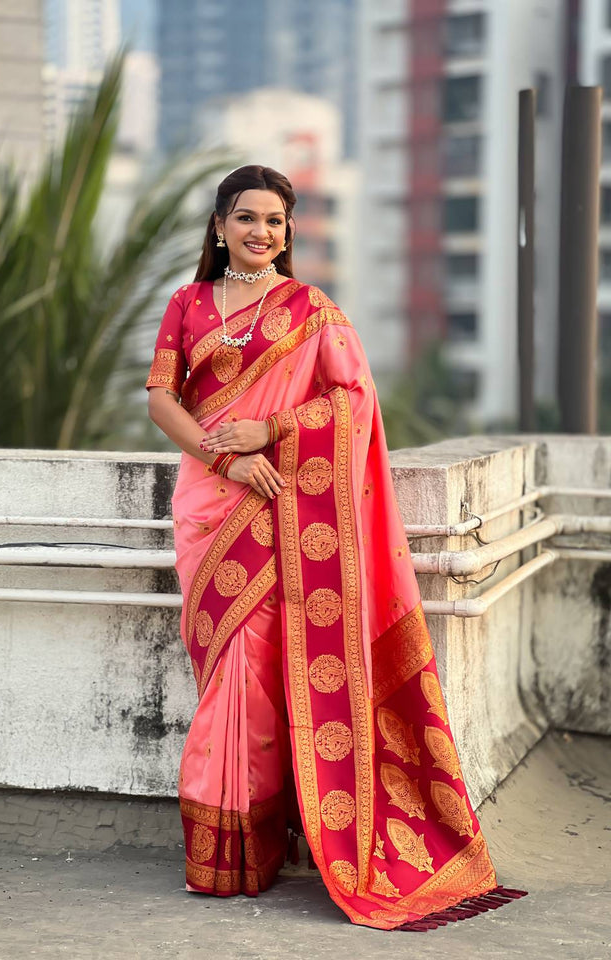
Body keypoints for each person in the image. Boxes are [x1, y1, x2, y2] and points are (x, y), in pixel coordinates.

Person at [145, 165, 526, 931]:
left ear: (288, 232)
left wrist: (272, 430)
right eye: (246, 217)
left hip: (280, 506)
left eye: (275, 221)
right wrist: (226, 459)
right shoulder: (187, 304)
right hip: (211, 506)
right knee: (226, 671)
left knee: (253, 676)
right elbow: (162, 399)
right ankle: (230, 848)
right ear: (218, 226)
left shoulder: (311, 311)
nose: (260, 232)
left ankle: (250, 851)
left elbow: (352, 402)